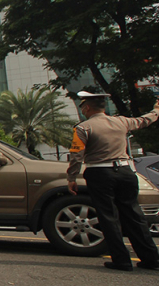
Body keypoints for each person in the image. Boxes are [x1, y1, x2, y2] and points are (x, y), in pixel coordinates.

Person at [67, 92, 159, 271]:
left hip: (100, 173)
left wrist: (71, 177)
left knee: (109, 217)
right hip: (126, 172)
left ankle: (122, 260)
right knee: (134, 215)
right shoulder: (122, 121)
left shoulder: (83, 128)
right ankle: (152, 260)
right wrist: (156, 110)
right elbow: (145, 120)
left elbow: (76, 155)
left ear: (86, 107)